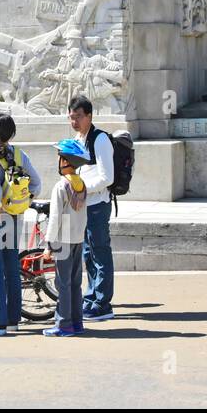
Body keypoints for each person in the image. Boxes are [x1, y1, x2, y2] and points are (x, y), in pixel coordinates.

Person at [0, 112, 42, 336]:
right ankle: (13, 319)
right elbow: (37, 183)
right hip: (14, 216)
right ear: (12, 132)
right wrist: (23, 202)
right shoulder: (19, 154)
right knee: (12, 267)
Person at [69, 95, 116, 321]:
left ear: (89, 116)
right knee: (88, 254)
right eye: (71, 117)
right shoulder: (78, 138)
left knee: (100, 252)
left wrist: (83, 189)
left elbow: (107, 177)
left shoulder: (100, 140)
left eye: (78, 117)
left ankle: (102, 304)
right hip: (83, 205)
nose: (74, 122)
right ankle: (91, 298)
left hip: (97, 204)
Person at [42, 139, 90, 337]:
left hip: (62, 240)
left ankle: (63, 325)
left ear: (65, 161)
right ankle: (77, 323)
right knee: (75, 283)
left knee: (62, 283)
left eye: (60, 157)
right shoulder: (82, 185)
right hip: (78, 238)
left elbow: (55, 218)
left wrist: (49, 244)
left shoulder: (61, 186)